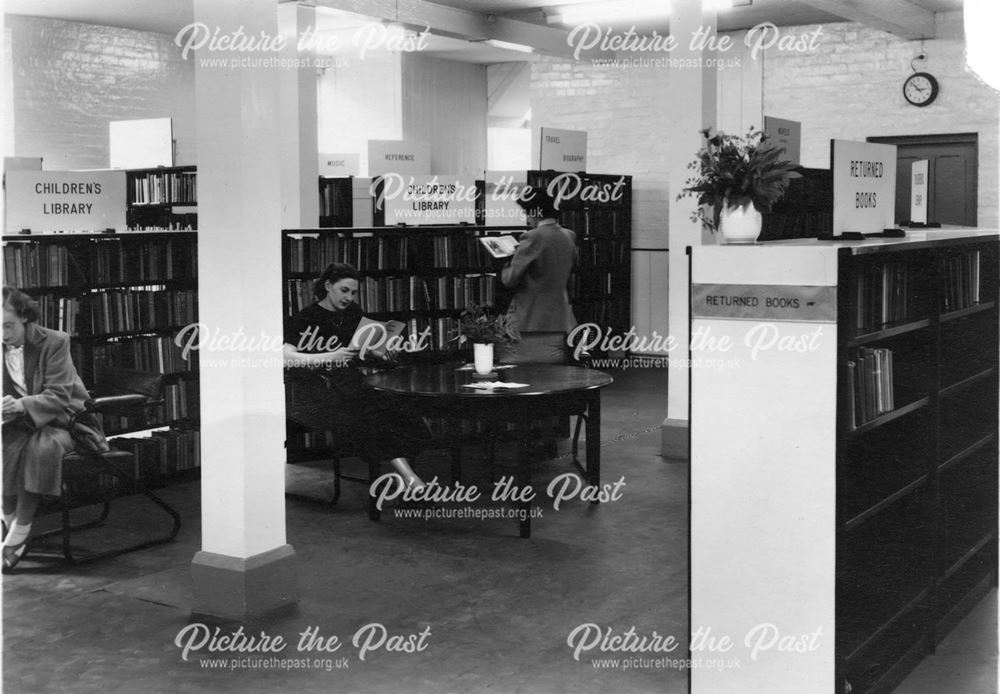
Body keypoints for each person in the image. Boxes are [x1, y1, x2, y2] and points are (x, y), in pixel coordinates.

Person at [282, 263, 427, 491]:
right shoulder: (307, 316)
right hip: (319, 391)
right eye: (344, 290)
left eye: (353, 292)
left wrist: (382, 352)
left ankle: (407, 479)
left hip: (351, 384)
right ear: (328, 286)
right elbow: (286, 357)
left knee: (400, 412)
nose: (349, 297)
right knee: (372, 418)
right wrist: (330, 355)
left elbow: (359, 351)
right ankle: (410, 480)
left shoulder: (352, 312)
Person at [2, 286, 96, 571]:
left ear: (26, 318)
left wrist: (20, 405)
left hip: (65, 420)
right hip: (18, 421)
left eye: (8, 325)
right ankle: (9, 518)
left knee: (38, 447)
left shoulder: (55, 341)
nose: (3, 334)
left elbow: (59, 396)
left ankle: (20, 530)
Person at [499, 189, 578, 362]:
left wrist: (506, 263)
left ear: (535, 212)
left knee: (523, 373)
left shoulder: (532, 236)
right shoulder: (569, 235)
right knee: (554, 374)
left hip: (531, 318)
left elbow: (510, 280)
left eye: (527, 213)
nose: (527, 218)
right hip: (561, 317)